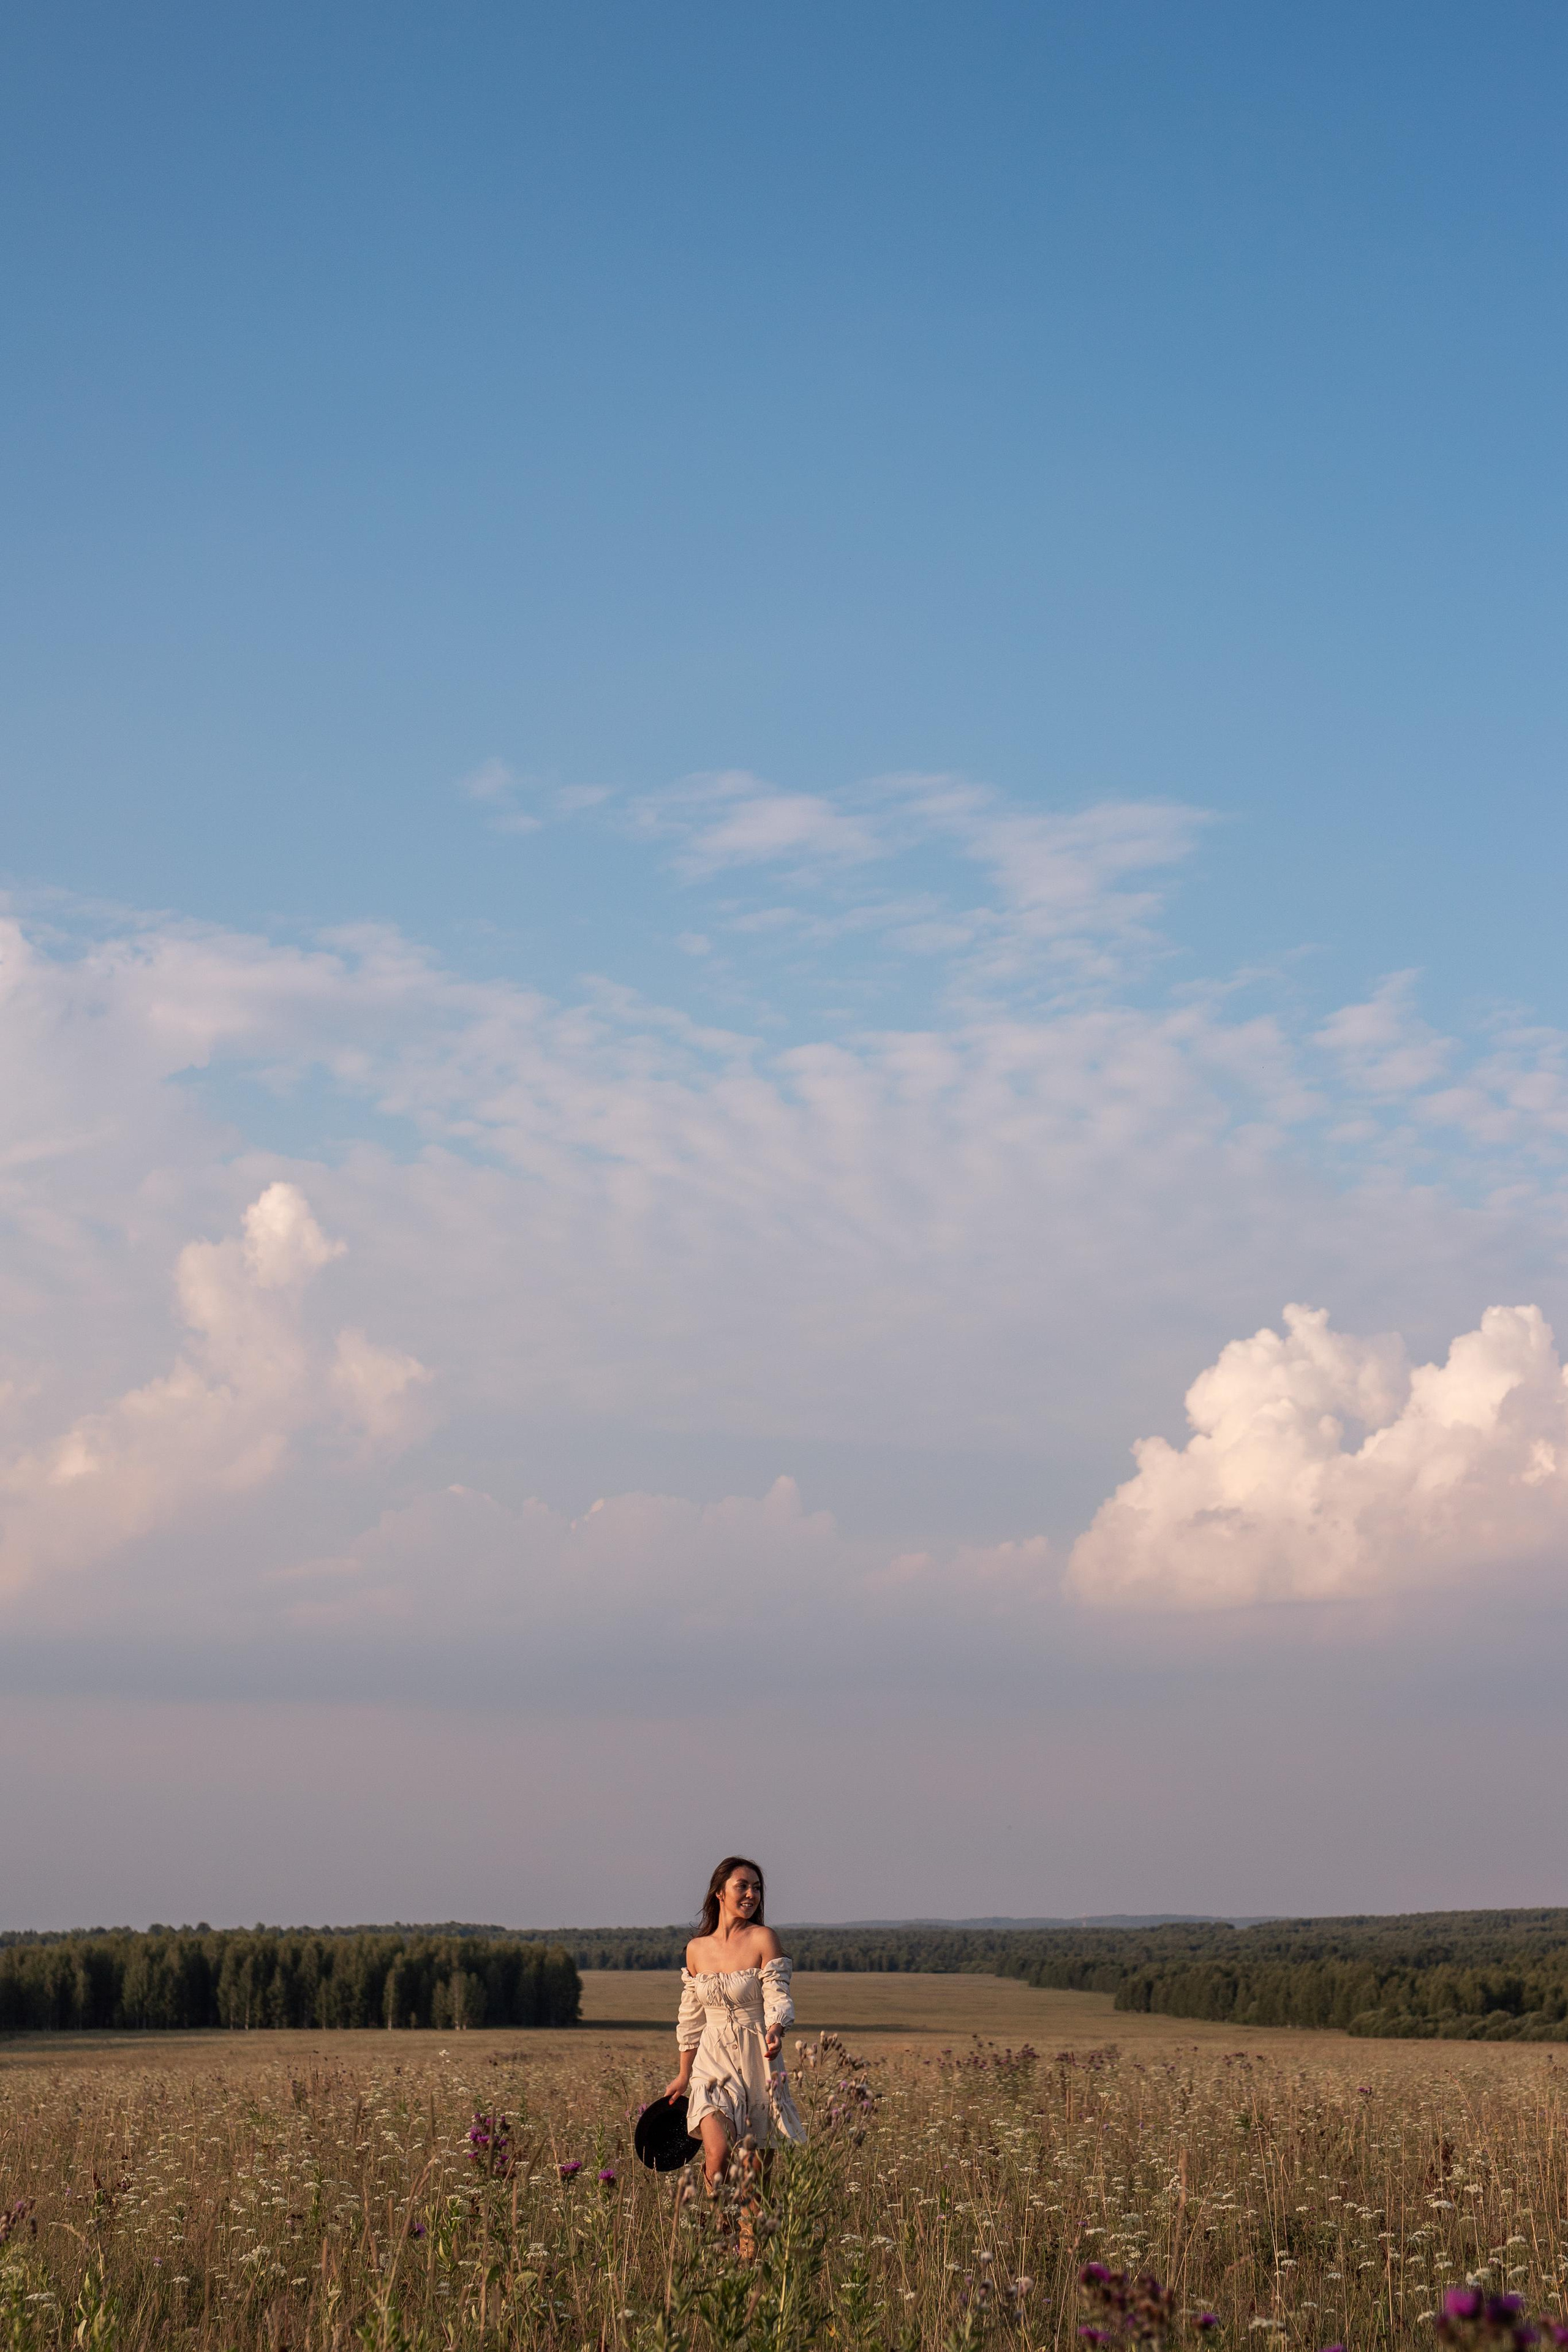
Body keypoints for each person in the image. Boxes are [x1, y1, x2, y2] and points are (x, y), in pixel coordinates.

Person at [662, 1855, 806, 2192]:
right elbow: (691, 2017)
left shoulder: (763, 1939)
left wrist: (776, 2028)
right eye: (742, 1886)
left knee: (754, 2183)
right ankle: (716, 2216)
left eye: (756, 1888)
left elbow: (777, 1993)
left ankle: (747, 2244)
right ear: (719, 1893)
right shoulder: (696, 1949)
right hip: (712, 2060)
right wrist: (684, 2073)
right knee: (720, 2150)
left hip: (758, 2057)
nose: (751, 1895)